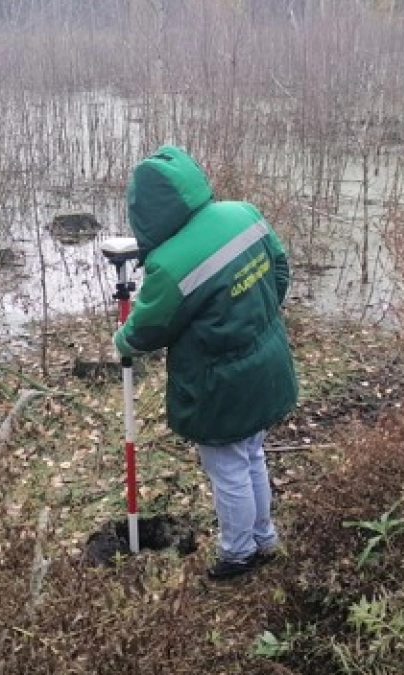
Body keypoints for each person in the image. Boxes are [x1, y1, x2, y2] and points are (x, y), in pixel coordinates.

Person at [113, 145, 299, 580]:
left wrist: (119, 341)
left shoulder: (172, 264)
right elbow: (281, 271)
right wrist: (256, 322)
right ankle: (264, 538)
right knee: (251, 453)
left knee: (229, 467)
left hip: (222, 386)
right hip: (267, 363)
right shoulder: (242, 213)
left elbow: (146, 332)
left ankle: (238, 554)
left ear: (147, 211)